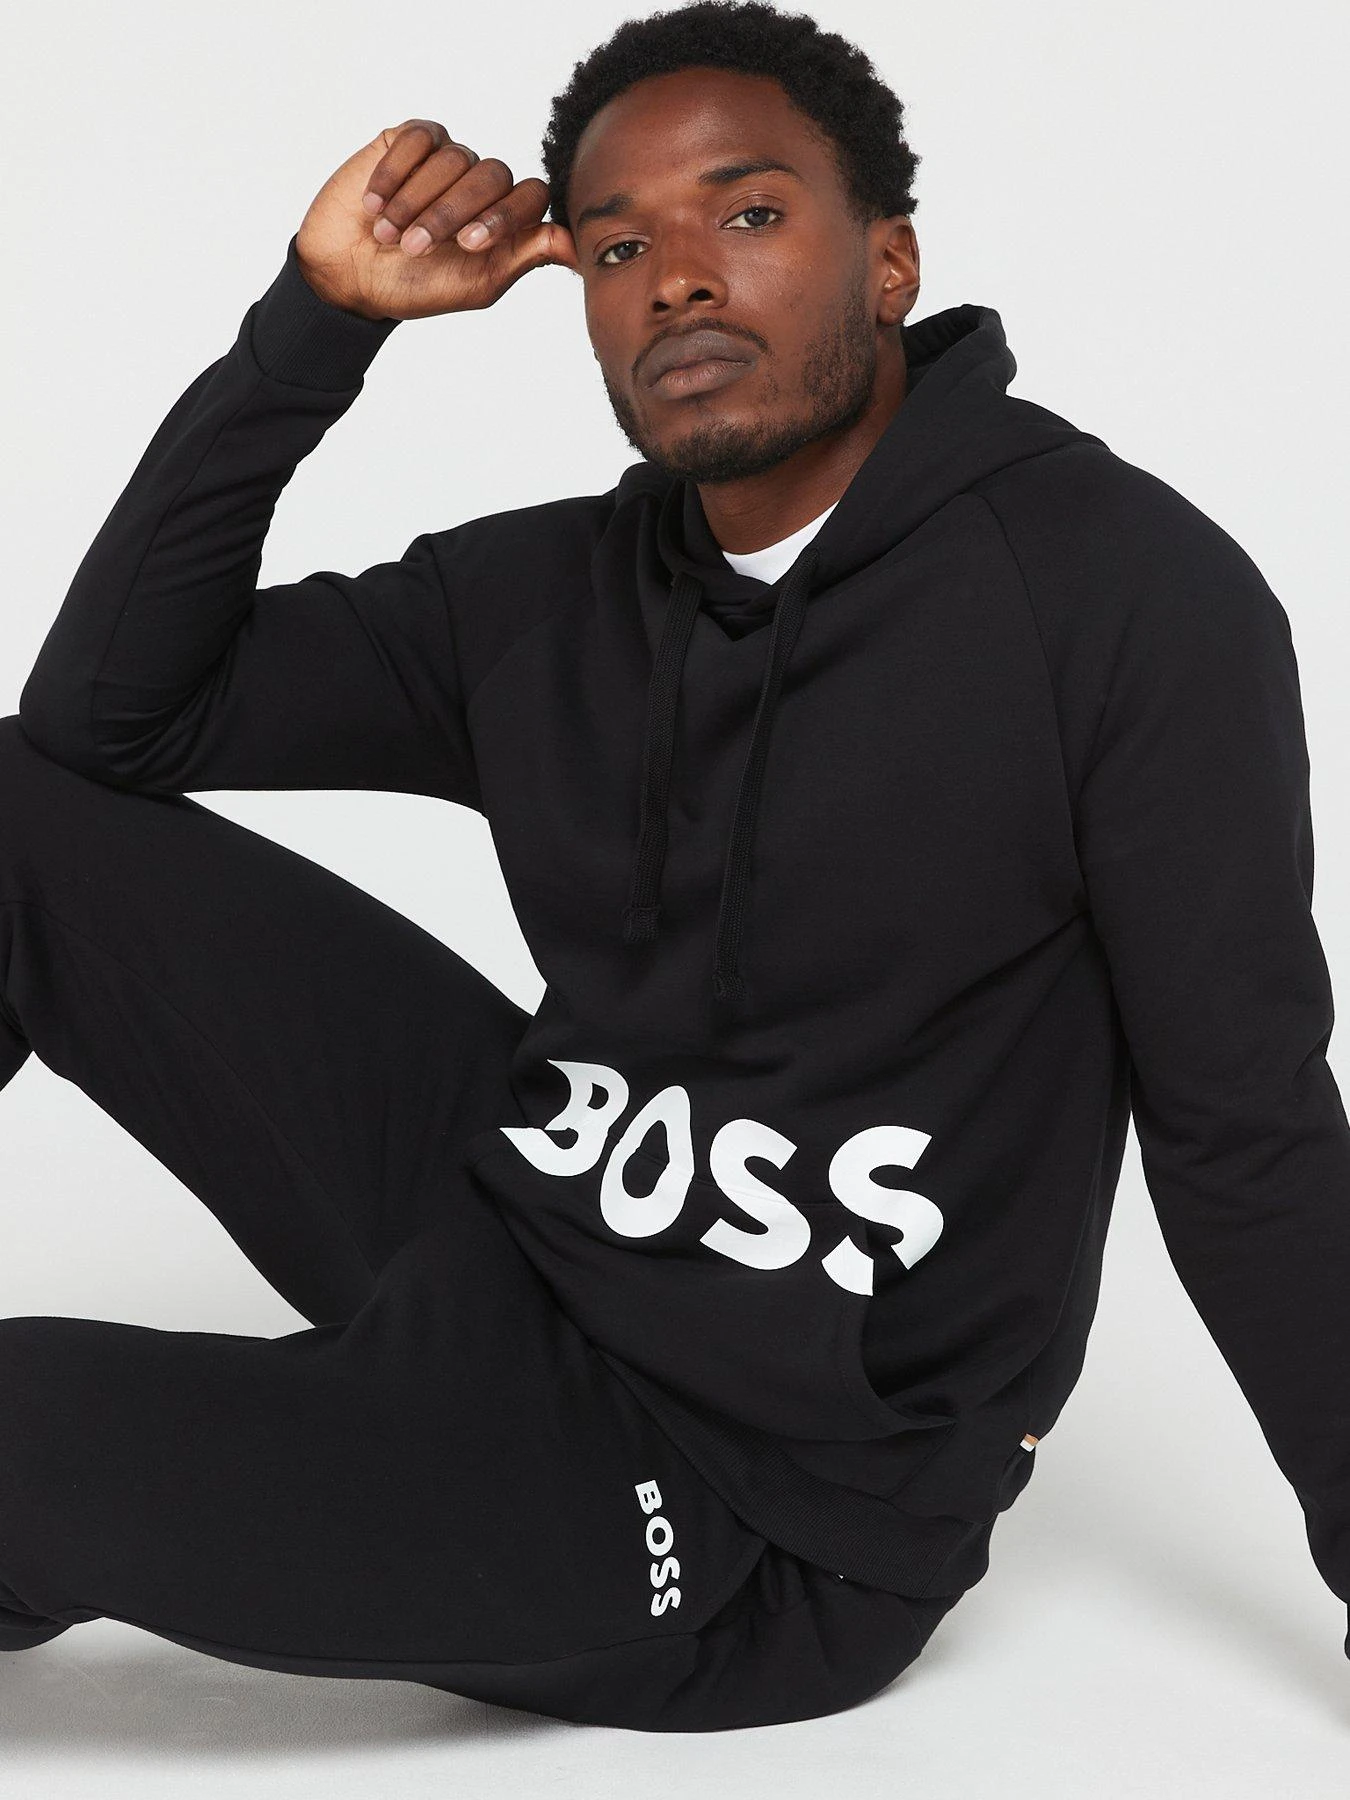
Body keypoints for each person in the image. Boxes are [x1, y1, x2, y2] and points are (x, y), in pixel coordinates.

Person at [4, 0, 1348, 1735]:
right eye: (619, 244)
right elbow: (106, 720)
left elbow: (1247, 1133)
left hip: (752, 1506)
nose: (678, 279)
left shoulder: (1120, 601)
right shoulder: (555, 594)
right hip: (520, 1221)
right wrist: (319, 325)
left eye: (751, 211)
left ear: (889, 261)